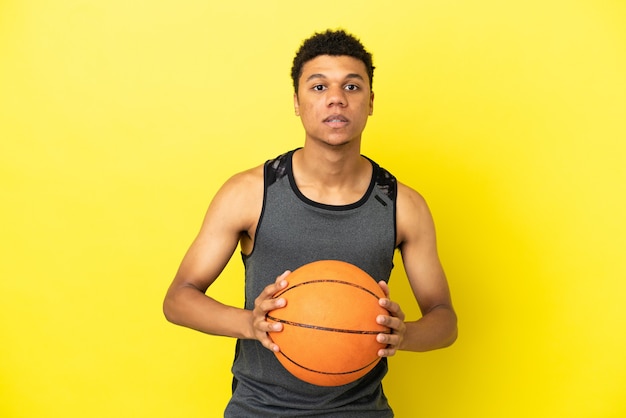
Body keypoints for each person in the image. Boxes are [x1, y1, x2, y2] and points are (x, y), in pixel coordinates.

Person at [163, 29, 457, 417]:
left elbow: (444, 319)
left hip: (360, 410)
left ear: (370, 102)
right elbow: (178, 299)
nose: (336, 97)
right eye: (319, 86)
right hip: (259, 408)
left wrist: (406, 334)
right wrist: (250, 323)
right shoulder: (249, 193)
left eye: (352, 86)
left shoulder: (403, 205)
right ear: (297, 103)